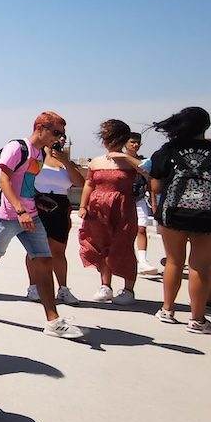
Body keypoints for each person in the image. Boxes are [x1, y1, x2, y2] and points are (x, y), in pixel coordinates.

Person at [0, 112, 84, 339]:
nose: (59, 138)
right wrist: (20, 210)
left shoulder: (39, 154)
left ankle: (53, 320)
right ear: (40, 128)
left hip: (30, 214)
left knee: (44, 261)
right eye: (56, 132)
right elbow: (4, 181)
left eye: (62, 134)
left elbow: (26, 183)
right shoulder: (17, 147)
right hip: (8, 215)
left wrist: (36, 201)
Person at [149, 106, 211, 334]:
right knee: (200, 265)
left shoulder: (167, 151)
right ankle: (198, 320)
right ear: (207, 126)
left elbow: (155, 186)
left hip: (172, 214)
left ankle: (167, 310)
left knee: (173, 261)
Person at [78, 119, 147, 305]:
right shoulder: (96, 161)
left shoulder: (130, 162)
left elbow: (148, 171)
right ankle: (105, 285)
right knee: (101, 245)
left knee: (123, 246)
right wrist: (83, 206)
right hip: (98, 206)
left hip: (123, 207)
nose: (108, 142)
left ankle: (128, 289)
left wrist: (124, 157)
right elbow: (89, 184)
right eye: (106, 138)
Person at [24, 132, 85, 305]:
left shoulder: (66, 163)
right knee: (35, 250)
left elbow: (81, 183)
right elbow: (26, 180)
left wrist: (65, 161)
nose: (60, 141)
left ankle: (63, 289)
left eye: (63, 139)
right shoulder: (37, 157)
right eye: (57, 137)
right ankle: (33, 287)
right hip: (38, 203)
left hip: (60, 206)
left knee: (58, 250)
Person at [126, 132, 161, 276]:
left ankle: (143, 260)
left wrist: (153, 203)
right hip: (124, 199)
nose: (135, 145)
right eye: (132, 142)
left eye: (137, 143)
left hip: (139, 198)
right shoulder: (120, 160)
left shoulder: (144, 162)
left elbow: (150, 183)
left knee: (141, 228)